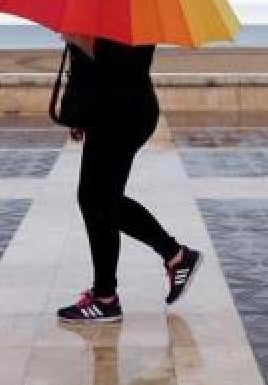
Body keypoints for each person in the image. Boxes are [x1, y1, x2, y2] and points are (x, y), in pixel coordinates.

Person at [55, 33, 203, 324]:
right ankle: (173, 256)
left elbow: (105, 64)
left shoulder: (107, 9)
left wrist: (79, 39)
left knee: (97, 199)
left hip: (118, 112)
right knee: (100, 199)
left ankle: (106, 298)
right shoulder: (131, 4)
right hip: (122, 108)